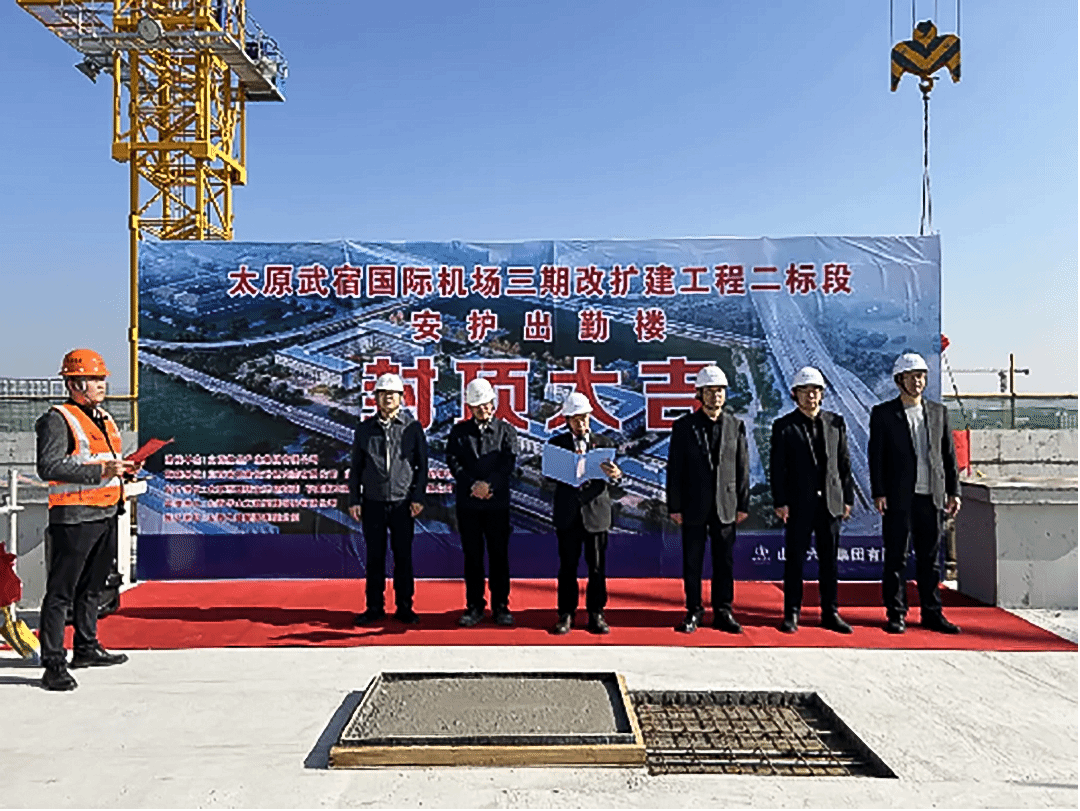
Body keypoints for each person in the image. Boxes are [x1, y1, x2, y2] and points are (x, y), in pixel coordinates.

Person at [35, 349, 137, 691]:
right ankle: (53, 663)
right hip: (75, 517)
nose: (101, 384)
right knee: (60, 593)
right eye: (94, 379)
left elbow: (104, 460)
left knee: (93, 588)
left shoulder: (103, 417)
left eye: (101, 378)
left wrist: (123, 469)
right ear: (74, 383)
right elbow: (49, 467)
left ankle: (86, 647)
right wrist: (101, 471)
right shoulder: (58, 419)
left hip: (105, 512)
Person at [869, 352, 962, 635]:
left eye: (921, 376)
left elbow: (948, 455)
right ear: (899, 380)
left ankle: (932, 613)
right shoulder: (884, 414)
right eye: (911, 377)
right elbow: (876, 457)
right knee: (896, 558)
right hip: (899, 498)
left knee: (930, 560)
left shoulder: (938, 412)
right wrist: (879, 492)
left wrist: (953, 491)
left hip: (931, 497)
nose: (917, 382)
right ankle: (896, 614)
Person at [770, 366, 855, 634]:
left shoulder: (835, 423)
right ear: (795, 394)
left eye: (816, 391)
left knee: (829, 562)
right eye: (805, 391)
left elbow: (844, 464)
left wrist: (847, 498)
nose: (811, 396)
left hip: (830, 503)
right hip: (798, 504)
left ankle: (830, 612)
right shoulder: (784, 426)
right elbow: (777, 468)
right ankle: (792, 612)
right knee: (795, 561)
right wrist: (781, 501)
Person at [666, 365, 749, 634]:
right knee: (693, 562)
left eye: (720, 391)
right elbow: (675, 469)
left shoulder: (735, 425)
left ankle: (723, 610)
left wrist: (743, 504)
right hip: (693, 506)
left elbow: (742, 467)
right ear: (699, 394)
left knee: (724, 562)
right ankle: (694, 610)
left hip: (726, 506)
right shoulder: (684, 427)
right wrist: (675, 506)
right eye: (710, 391)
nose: (716, 396)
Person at [348, 373, 428, 626]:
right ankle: (374, 607)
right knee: (375, 557)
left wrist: (418, 496)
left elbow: (422, 467)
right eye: (383, 394)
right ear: (376, 398)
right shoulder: (365, 430)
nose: (388, 398)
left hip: (402, 503)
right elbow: (356, 467)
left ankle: (405, 606)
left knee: (403, 556)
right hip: (373, 502)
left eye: (392, 394)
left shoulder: (412, 428)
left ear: (401, 397)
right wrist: (354, 499)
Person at [547, 391, 622, 635]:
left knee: (597, 567)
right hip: (568, 512)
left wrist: (616, 475)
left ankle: (596, 613)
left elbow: (617, 481)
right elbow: (548, 479)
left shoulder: (605, 443)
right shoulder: (557, 445)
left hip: (596, 513)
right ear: (567, 420)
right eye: (576, 419)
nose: (581, 424)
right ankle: (566, 613)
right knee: (567, 567)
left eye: (585, 418)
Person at [446, 377, 519, 627]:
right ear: (469, 407)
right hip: (469, 505)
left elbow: (508, 463)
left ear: (493, 403)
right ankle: (474, 606)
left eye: (486, 404)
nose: (483, 409)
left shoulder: (506, 430)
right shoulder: (459, 432)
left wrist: (489, 486)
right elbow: (454, 462)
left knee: (499, 557)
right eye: (477, 406)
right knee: (473, 557)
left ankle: (501, 606)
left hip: (497, 505)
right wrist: (472, 485)